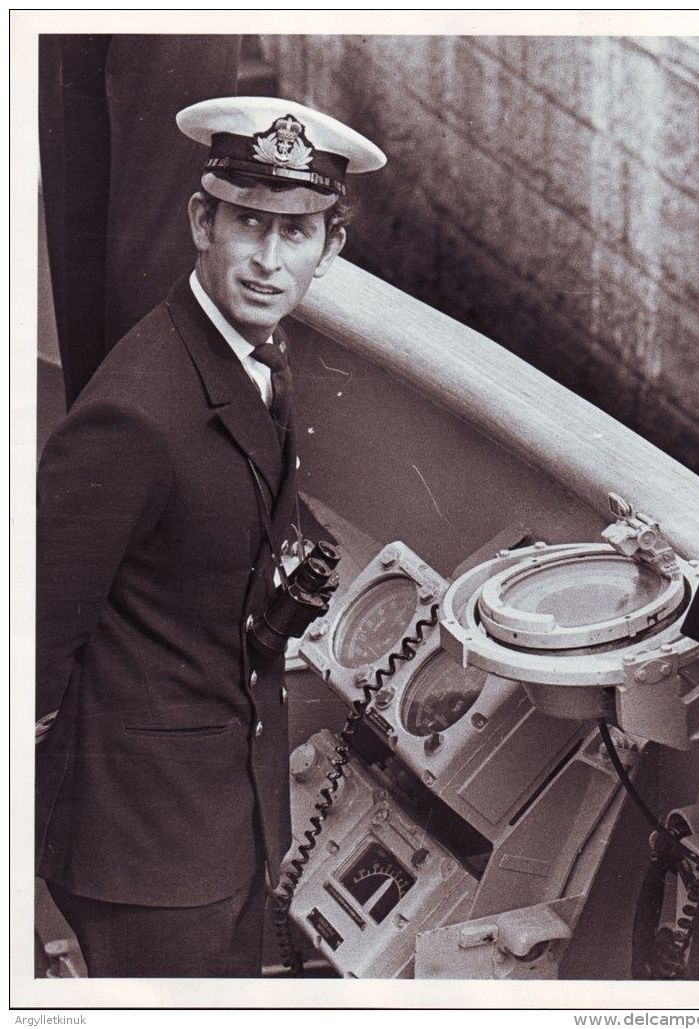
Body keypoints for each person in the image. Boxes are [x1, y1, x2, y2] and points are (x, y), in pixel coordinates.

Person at [35, 96, 386, 977]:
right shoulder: (137, 409)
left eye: (296, 231)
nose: (269, 259)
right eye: (248, 223)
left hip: (222, 817)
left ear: (329, 248)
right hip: (144, 847)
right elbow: (28, 637)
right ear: (202, 220)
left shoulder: (250, 357)